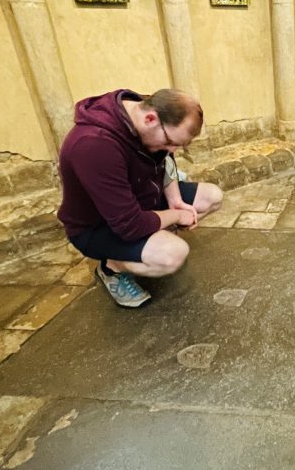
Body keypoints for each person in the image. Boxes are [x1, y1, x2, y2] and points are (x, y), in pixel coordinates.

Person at [57, 89, 223, 308]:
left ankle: (149, 242)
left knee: (213, 197)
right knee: (173, 254)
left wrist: (174, 199)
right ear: (150, 119)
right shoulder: (94, 145)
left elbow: (166, 159)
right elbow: (130, 225)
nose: (171, 149)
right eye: (170, 142)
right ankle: (112, 267)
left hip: (143, 200)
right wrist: (176, 214)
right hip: (98, 227)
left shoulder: (144, 110)